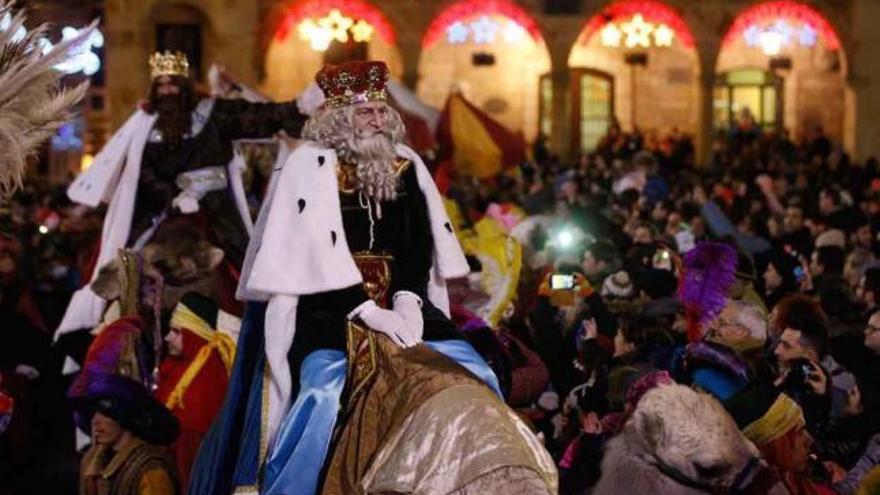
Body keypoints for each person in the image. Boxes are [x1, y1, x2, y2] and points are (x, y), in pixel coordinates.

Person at [189, 61, 556, 495]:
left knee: (478, 372)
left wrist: (406, 299)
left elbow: (418, 244)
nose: (379, 120)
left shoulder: (405, 165)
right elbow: (315, 248)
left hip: (401, 304)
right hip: (327, 307)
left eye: (383, 111)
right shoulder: (308, 167)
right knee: (322, 393)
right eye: (367, 113)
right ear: (340, 118)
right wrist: (365, 309)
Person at [57, 51, 308, 339]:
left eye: (172, 83)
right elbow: (145, 173)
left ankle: (262, 328)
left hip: (215, 212)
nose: (166, 90)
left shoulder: (213, 113)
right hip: (165, 209)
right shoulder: (146, 127)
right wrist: (173, 195)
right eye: (161, 84)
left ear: (185, 86)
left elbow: (257, 117)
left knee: (247, 265)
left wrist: (299, 106)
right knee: (123, 263)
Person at [154, 293, 237, 493]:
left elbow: (190, 446)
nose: (167, 338)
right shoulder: (178, 365)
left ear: (195, 333)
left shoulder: (206, 379)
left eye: (176, 331)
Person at [74, 373, 180, 495]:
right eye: (94, 413)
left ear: (124, 417)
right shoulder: (94, 461)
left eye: (105, 413)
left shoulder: (150, 468)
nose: (95, 421)